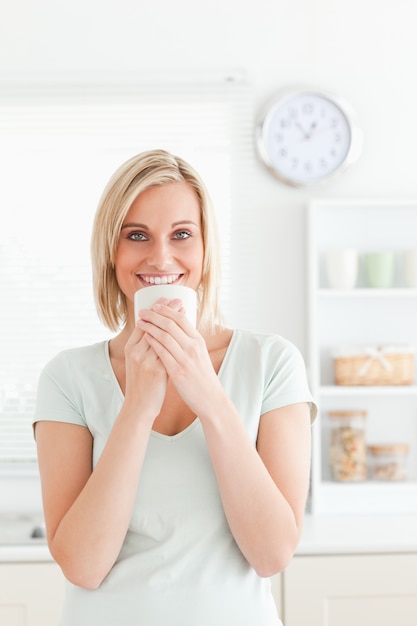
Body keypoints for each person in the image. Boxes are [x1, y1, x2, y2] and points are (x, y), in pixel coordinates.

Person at [34, 149, 316, 626]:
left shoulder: (272, 363)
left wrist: (208, 395)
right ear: (111, 251)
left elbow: (272, 554)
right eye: (136, 235)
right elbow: (82, 565)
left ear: (206, 250)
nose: (160, 256)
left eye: (182, 234)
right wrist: (138, 408)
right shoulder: (68, 377)